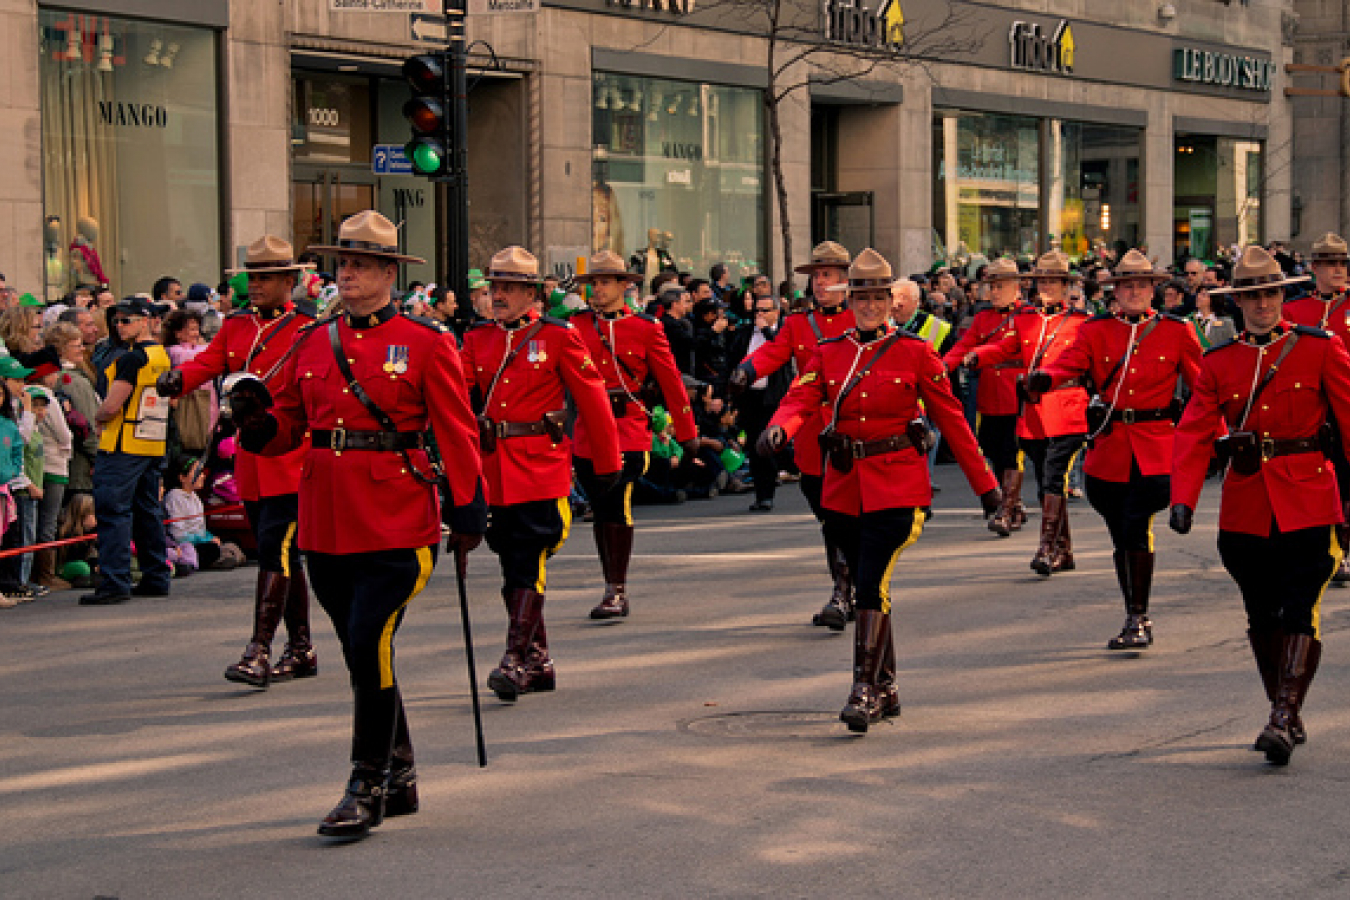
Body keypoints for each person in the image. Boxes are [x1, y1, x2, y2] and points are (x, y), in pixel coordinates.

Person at [228, 209, 487, 839]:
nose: (347, 274)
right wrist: (256, 421)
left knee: (369, 638)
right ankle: (399, 774)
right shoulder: (312, 341)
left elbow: (456, 429)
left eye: (361, 264)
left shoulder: (428, 343)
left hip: (399, 520)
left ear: (389, 273)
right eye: (342, 263)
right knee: (357, 649)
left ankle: (364, 784)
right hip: (325, 519)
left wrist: (469, 501)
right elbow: (287, 424)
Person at [759, 249, 1000, 734]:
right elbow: (801, 396)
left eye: (877, 298)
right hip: (845, 487)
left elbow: (952, 420)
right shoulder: (830, 352)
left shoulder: (915, 352)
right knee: (870, 580)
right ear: (850, 302)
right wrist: (780, 429)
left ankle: (862, 690)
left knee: (870, 582)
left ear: (892, 302)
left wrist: (987, 488)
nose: (868, 307)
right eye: (860, 298)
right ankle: (886, 684)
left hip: (898, 485)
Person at [1170, 245, 1350, 766]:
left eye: (1270, 293)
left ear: (1282, 295)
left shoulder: (1320, 348)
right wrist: (1182, 499)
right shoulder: (1220, 362)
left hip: (1310, 495)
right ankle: (1285, 710)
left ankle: (1282, 715)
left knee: (1299, 605)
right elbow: (1194, 431)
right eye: (1252, 295)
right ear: (1238, 303)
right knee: (1259, 613)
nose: (1263, 303)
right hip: (1246, 503)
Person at [159, 237, 321, 688]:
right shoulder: (236, 326)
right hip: (250, 462)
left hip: (291, 456)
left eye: (267, 277)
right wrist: (177, 379)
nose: (256, 285)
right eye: (253, 277)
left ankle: (260, 649)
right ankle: (302, 647)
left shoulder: (308, 329)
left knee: (275, 550)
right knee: (285, 557)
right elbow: (209, 363)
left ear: (291, 281)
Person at [461, 246, 620, 700]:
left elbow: (592, 399)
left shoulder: (557, 336)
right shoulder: (478, 339)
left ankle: (514, 659)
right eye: (495, 287)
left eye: (510, 288)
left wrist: (606, 466)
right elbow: (458, 395)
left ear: (531, 293)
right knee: (512, 563)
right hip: (494, 467)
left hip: (539, 465)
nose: (500, 296)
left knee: (529, 557)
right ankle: (539, 661)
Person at [1026, 250, 1202, 648]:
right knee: (1121, 534)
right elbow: (1068, 364)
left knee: (1137, 527)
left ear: (1154, 290)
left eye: (1142, 284)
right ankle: (1134, 611)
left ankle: (1137, 616)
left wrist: (1217, 436)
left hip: (1156, 445)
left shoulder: (1177, 331)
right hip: (1109, 448)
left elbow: (1204, 390)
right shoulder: (1095, 330)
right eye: (1127, 285)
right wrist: (1044, 378)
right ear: (1116, 292)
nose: (1135, 291)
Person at [730, 241, 856, 628]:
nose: (820, 283)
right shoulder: (800, 322)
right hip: (810, 432)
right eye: (816, 276)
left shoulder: (860, 318)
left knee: (844, 515)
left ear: (846, 281)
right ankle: (844, 587)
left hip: (850, 430)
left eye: (828, 275)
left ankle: (843, 592)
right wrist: (748, 371)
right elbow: (776, 352)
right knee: (826, 515)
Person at [570, 251, 695, 619]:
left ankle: (616, 589)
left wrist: (687, 434)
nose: (597, 289)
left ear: (625, 286)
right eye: (593, 282)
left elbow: (671, 383)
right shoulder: (575, 325)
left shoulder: (645, 327)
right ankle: (610, 582)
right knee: (600, 506)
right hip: (588, 429)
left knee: (616, 500)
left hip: (627, 427)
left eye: (605, 281)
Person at [965, 251, 1090, 576]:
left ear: (1066, 286)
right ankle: (1065, 551)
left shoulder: (1081, 323)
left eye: (1053, 281)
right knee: (1048, 482)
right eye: (1042, 281)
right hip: (1033, 414)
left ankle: (1046, 548)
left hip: (1068, 410)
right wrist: (975, 356)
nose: (1046, 286)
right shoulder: (1025, 321)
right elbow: (1006, 349)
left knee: (1054, 475)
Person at [81, 296, 173, 606]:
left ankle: (114, 581)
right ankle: (155, 575)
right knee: (147, 511)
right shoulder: (160, 354)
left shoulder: (133, 358)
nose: (119, 326)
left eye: (127, 320)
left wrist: (99, 416)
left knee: (112, 511)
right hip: (151, 439)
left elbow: (112, 404)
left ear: (146, 320)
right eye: (117, 321)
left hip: (123, 442)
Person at [1282, 233, 1350, 584]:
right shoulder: (1295, 310)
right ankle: (1329, 549)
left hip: (1346, 407)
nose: (1338, 270)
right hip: (1310, 409)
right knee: (1322, 483)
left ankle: (1343, 548)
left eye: (1342, 263)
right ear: (1314, 269)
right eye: (1330, 264)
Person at [943, 258, 1027, 535]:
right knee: (991, 448)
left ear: (1016, 288)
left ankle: (1007, 508)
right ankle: (1013, 505)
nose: (994, 292)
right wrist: (942, 367)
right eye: (991, 286)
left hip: (1017, 391)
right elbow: (963, 345)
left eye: (1000, 286)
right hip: (990, 392)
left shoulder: (1027, 316)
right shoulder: (983, 318)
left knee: (1011, 452)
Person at [729, 286, 790, 511]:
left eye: (765, 311)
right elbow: (733, 361)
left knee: (771, 443)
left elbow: (780, 354)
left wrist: (766, 332)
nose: (760, 315)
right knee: (755, 445)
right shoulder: (744, 334)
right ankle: (762, 493)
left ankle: (771, 484)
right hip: (750, 397)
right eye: (757, 311)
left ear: (777, 312)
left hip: (773, 397)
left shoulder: (782, 332)